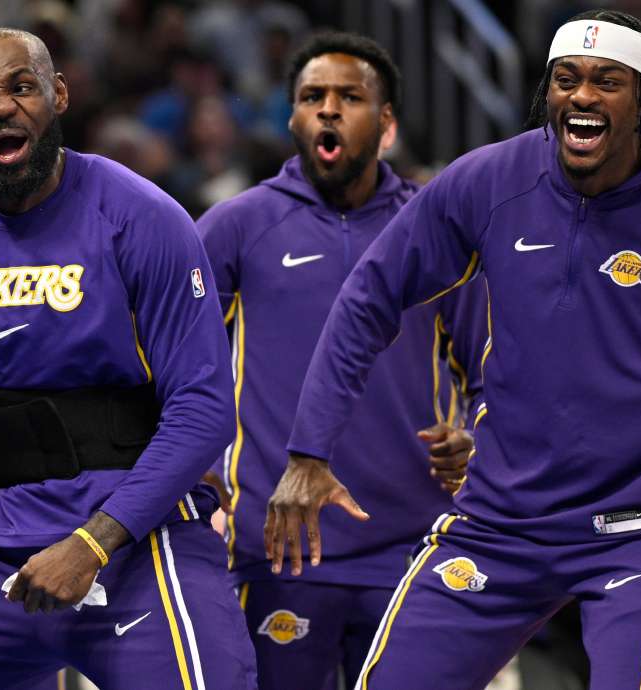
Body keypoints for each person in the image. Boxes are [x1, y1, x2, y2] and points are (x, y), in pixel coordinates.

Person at [270, 9, 641, 690]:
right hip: (498, 523)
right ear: (548, 93)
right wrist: (309, 450)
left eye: (609, 81)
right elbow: (368, 294)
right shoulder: (491, 181)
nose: (584, 95)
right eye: (567, 79)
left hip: (640, 532)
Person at [0, 28, 256, 689]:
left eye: (20, 87)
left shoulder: (143, 217)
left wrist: (92, 542)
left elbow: (204, 410)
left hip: (140, 540)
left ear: (57, 96)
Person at [196, 31, 485, 690]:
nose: (328, 109)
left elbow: (493, 371)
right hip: (274, 550)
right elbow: (176, 370)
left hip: (415, 549)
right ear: (293, 118)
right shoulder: (235, 227)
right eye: (311, 97)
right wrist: (203, 479)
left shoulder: (436, 231)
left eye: (349, 97)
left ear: (385, 125)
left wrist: (479, 438)